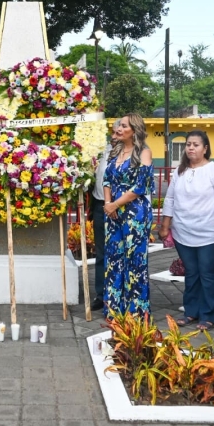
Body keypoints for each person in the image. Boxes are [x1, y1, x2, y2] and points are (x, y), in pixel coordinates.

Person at [159, 130, 214, 330]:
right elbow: (170, 198)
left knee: (207, 273)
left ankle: (209, 315)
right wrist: (165, 225)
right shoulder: (179, 171)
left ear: (205, 148)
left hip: (209, 233)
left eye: (195, 145)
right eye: (188, 144)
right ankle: (191, 311)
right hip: (183, 232)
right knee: (191, 273)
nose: (191, 148)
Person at [103, 113, 155, 317]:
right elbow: (107, 180)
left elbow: (141, 186)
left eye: (124, 126)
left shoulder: (144, 152)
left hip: (135, 214)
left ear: (135, 130)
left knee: (134, 260)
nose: (119, 129)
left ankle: (136, 311)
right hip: (112, 213)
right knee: (114, 259)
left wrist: (115, 204)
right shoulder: (116, 151)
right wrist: (108, 204)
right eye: (119, 125)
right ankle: (114, 309)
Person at [88, 120, 119, 312]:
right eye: (113, 132)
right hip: (100, 206)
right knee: (101, 253)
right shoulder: (102, 151)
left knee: (118, 252)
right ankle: (101, 295)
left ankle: (118, 294)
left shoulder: (134, 153)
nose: (114, 136)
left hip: (121, 207)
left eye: (118, 132)